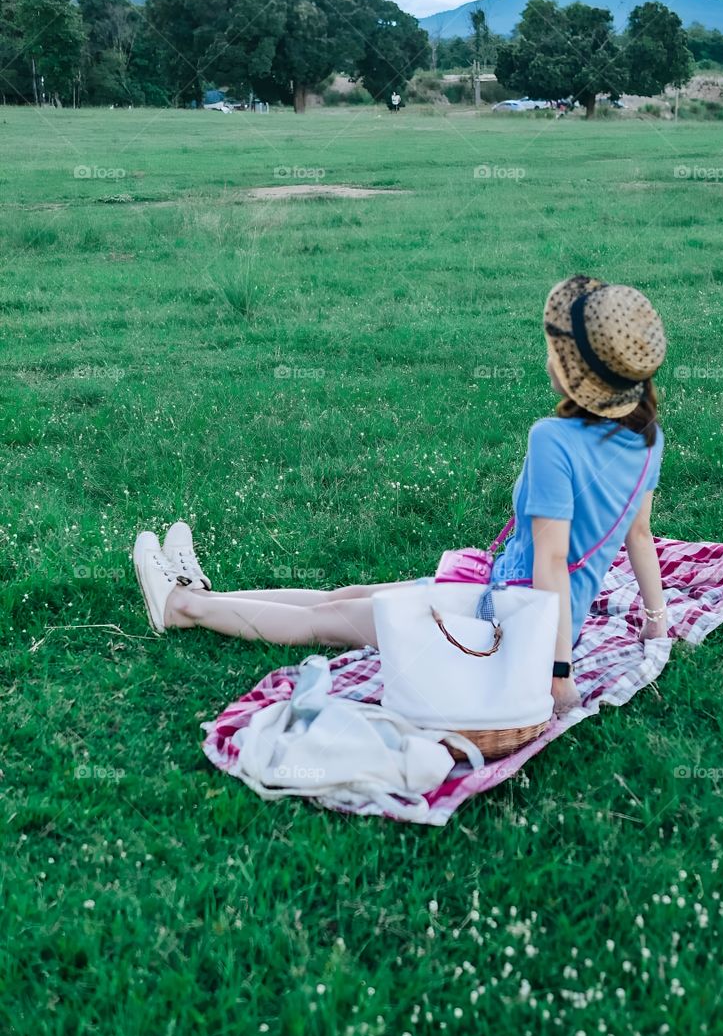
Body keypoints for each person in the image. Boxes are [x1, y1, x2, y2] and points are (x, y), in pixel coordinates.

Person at [133, 275, 668, 717]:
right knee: (346, 596)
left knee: (323, 624)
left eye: (560, 353)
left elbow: (552, 562)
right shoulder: (648, 441)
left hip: (502, 625)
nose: (551, 357)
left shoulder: (553, 439)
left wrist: (558, 676)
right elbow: (639, 536)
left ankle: (181, 607)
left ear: (580, 375)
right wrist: (655, 623)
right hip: (506, 599)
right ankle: (198, 592)